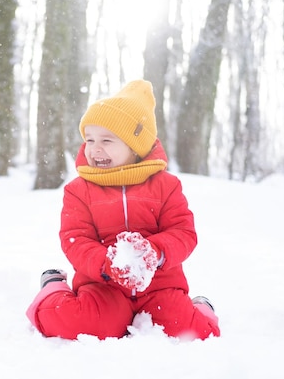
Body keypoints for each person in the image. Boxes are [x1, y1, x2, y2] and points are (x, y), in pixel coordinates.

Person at [26, 79, 220, 340]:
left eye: (107, 140)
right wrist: (107, 264)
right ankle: (52, 287)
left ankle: (201, 309)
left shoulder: (167, 186)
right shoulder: (79, 190)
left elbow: (183, 232)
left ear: (135, 147)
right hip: (103, 285)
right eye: (90, 139)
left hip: (159, 286)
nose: (95, 148)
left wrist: (155, 252)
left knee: (188, 330)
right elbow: (75, 239)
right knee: (81, 324)